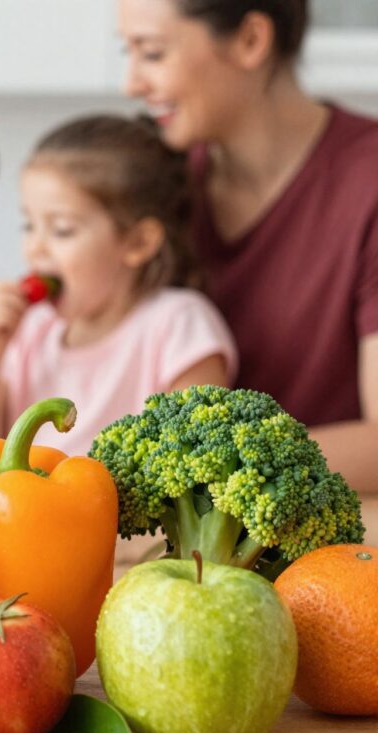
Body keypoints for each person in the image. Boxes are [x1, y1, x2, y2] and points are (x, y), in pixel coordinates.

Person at [119, 0, 378, 491]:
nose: (131, 84)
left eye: (151, 53)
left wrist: (207, 470)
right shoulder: (154, 188)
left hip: (329, 546)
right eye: (126, 51)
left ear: (250, 40)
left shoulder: (368, 182)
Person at [0, 114, 236, 455]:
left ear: (138, 243)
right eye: (29, 226)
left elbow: (194, 459)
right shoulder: (30, 331)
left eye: (62, 230)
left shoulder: (178, 324)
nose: (35, 247)